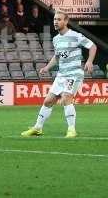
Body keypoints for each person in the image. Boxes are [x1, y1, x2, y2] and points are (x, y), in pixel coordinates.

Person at [21, 10, 96, 138]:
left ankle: (71, 129)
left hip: (74, 73)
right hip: (61, 75)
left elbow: (92, 46)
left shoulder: (75, 35)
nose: (56, 21)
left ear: (66, 21)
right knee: (48, 101)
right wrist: (47, 67)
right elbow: (57, 57)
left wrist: (89, 61)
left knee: (66, 98)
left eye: (59, 19)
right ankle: (38, 128)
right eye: (55, 19)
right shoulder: (56, 39)